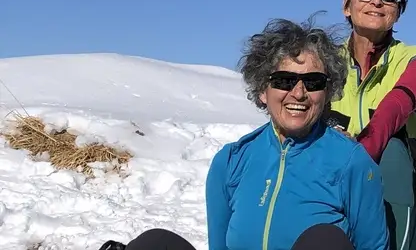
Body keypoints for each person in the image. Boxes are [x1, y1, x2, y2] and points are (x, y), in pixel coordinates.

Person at [97, 18, 389, 250]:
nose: (299, 93)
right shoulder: (232, 161)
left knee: (324, 241)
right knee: (155, 243)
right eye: (284, 80)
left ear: (327, 92)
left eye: (313, 82)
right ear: (263, 90)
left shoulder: (351, 162)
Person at [329, 0, 416, 250]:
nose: (377, 1)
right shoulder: (323, 62)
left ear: (398, 11)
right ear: (346, 5)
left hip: (399, 198)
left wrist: (353, 155)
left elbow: (393, 109)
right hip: (332, 190)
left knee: (393, 149)